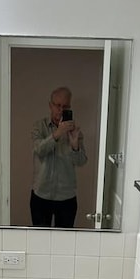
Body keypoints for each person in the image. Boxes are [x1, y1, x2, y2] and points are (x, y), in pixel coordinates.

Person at [30, 86, 87, 228]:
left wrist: (74, 145)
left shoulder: (74, 131)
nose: (61, 110)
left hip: (66, 197)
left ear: (70, 106)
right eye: (58, 105)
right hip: (41, 194)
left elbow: (81, 161)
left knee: (65, 243)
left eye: (65, 106)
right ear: (50, 105)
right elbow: (39, 151)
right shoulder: (39, 127)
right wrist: (58, 133)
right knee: (40, 240)